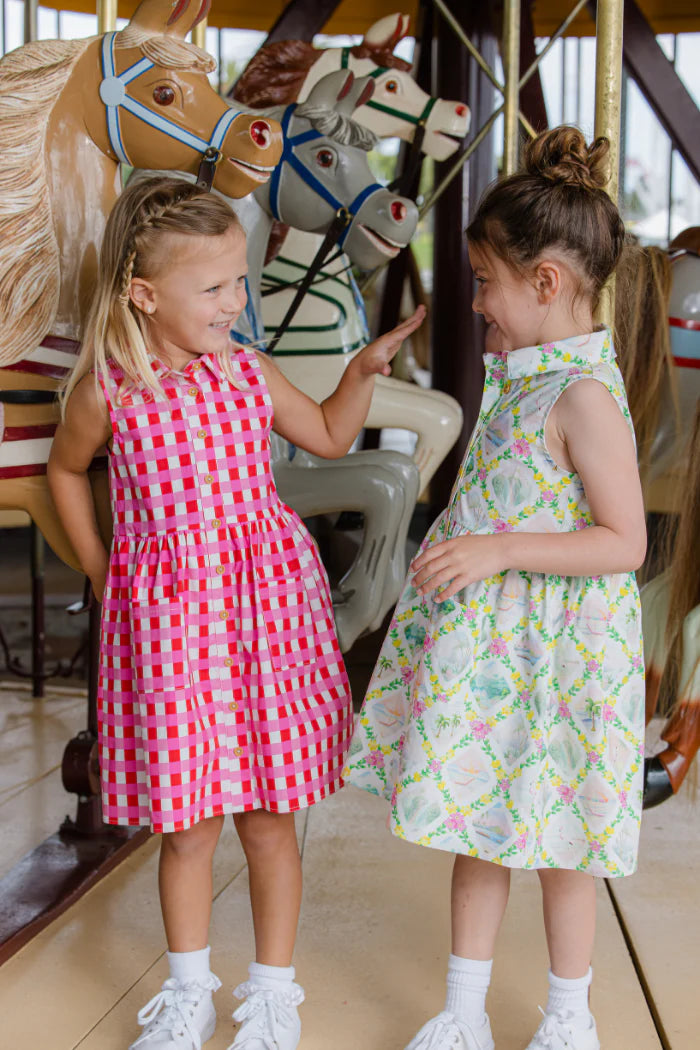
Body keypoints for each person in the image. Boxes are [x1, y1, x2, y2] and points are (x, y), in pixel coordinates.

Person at [47, 175, 424, 1050]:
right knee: (185, 828)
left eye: (240, 281)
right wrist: (100, 567)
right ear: (145, 295)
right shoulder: (109, 392)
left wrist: (361, 376)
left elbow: (328, 434)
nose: (235, 301)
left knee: (267, 819)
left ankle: (272, 997)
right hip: (171, 629)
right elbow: (66, 469)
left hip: (264, 622)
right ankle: (189, 996)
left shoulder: (248, 372)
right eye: (214, 286)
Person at [343, 126, 647, 1050]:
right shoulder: (523, 378)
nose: (475, 301)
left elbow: (624, 541)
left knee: (563, 845)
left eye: (484, 282)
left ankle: (568, 1016)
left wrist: (498, 548)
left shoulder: (582, 395)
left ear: (545, 283)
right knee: (476, 825)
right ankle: (463, 1010)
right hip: (502, 658)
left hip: (561, 657)